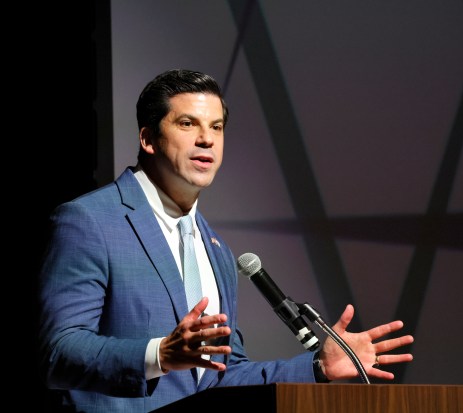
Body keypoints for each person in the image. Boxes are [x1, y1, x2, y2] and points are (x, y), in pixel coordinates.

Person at [37, 69, 415, 412]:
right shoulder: (90, 221)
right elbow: (58, 353)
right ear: (148, 138)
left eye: (216, 128)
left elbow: (223, 376)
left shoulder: (215, 249)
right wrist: (160, 354)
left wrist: (318, 368)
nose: (206, 139)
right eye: (188, 123)